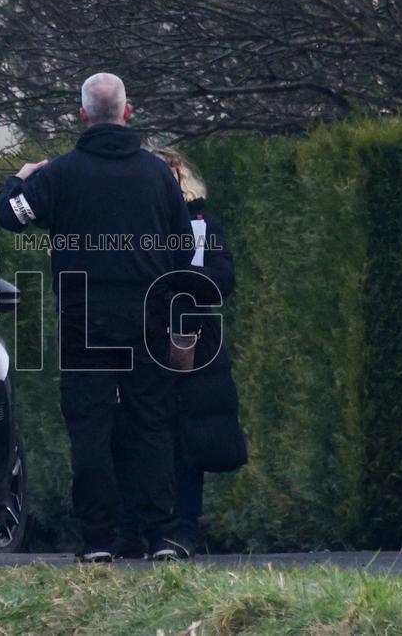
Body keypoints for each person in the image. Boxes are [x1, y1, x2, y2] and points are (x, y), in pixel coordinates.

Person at [0, 73, 194, 561]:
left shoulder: (61, 175)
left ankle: (98, 540)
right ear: (128, 113)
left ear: (82, 115)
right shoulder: (157, 176)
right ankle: (161, 534)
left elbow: (10, 215)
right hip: (147, 312)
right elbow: (184, 247)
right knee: (151, 421)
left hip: (85, 315)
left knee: (89, 425)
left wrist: (19, 179)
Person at [112, 149, 242, 558]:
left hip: (190, 341)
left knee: (187, 440)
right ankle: (135, 528)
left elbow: (223, 277)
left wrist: (179, 280)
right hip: (138, 337)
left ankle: (182, 529)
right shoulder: (125, 225)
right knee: (135, 434)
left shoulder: (204, 225)